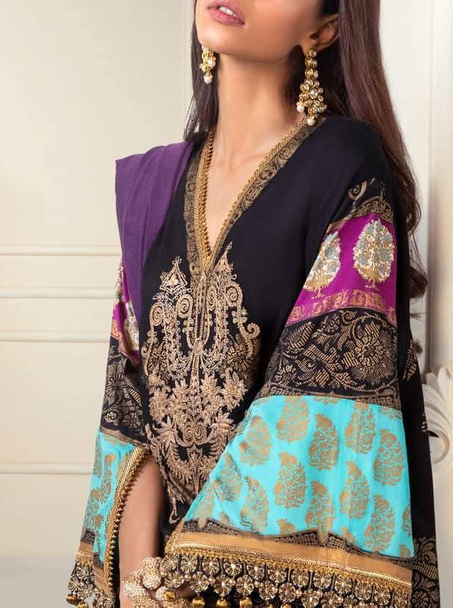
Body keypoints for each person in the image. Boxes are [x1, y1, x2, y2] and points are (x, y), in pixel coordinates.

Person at [66, 1, 439, 607]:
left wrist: (184, 581)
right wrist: (140, 584)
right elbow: (128, 402)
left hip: (273, 577)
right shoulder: (153, 182)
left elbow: (321, 400)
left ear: (323, 29)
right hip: (159, 574)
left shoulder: (344, 163)